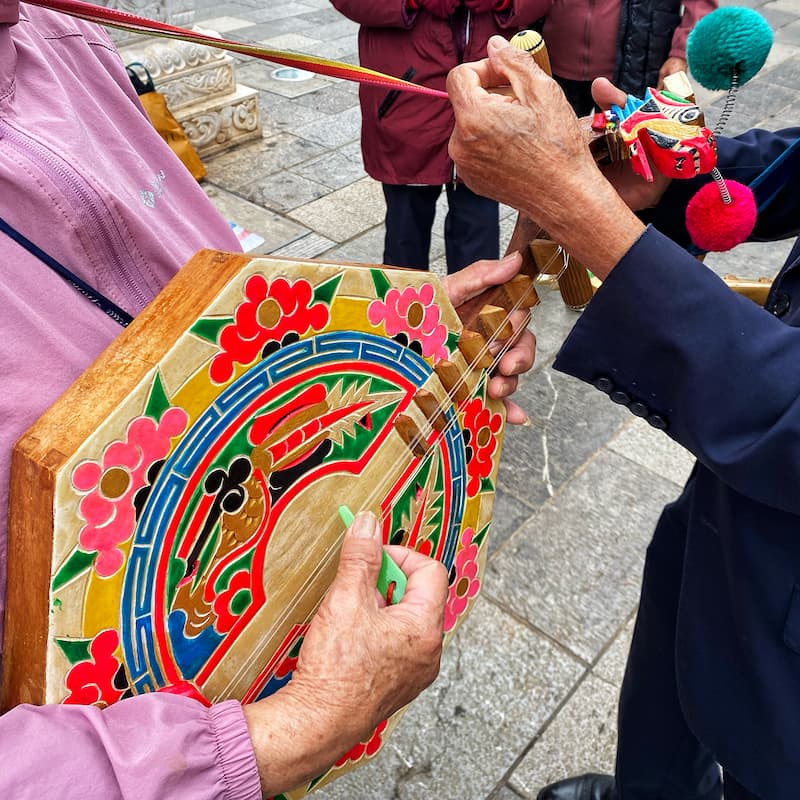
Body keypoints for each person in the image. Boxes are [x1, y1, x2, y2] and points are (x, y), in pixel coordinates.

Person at [0, 3, 536, 797]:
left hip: (236, 598)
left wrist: (399, 340)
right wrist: (279, 736)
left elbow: (205, 331)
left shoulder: (53, 35)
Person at [447, 34, 800, 800]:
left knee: (762, 745)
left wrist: (583, 211)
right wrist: (663, 171)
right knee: (676, 645)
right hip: (729, 495)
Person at [328, 0, 552, 273]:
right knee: (405, 241)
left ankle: (473, 314)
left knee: (478, 245)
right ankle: (405, 312)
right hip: (406, 102)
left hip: (488, 102)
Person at [540, 0, 717, 116]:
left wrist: (681, 52)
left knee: (627, 157)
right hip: (553, 64)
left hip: (637, 66)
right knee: (554, 151)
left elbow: (701, 5)